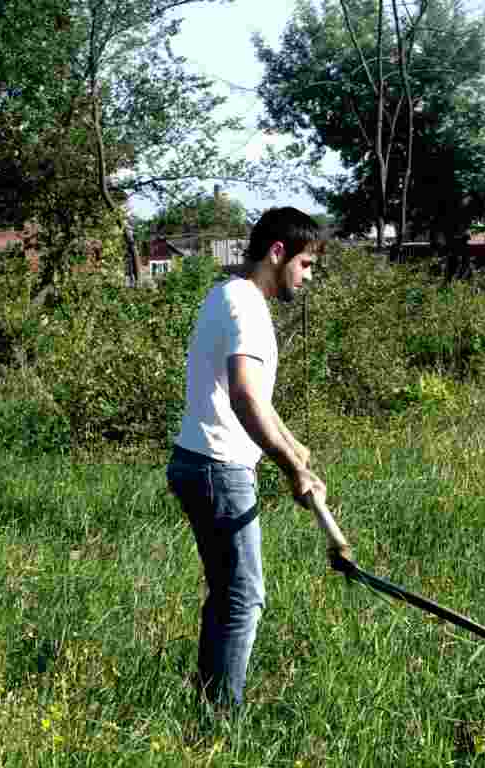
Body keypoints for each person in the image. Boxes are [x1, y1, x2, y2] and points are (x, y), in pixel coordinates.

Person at [166, 206, 345, 709]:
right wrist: (290, 468)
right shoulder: (244, 304)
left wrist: (293, 447)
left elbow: (255, 401)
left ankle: (206, 704)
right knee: (244, 598)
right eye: (306, 264)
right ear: (277, 252)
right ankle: (220, 720)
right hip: (217, 468)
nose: (308, 277)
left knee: (228, 595)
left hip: (204, 463)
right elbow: (244, 397)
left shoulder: (230, 295)